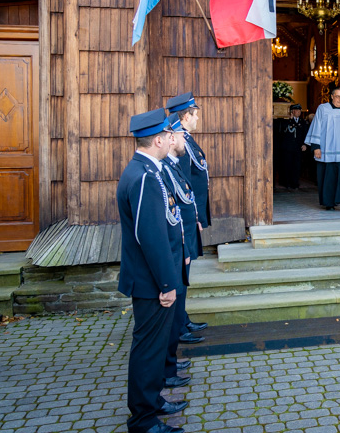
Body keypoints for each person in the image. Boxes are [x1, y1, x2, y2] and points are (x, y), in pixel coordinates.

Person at [117, 109, 187, 433]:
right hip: (151, 282)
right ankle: (143, 420)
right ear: (158, 139)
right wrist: (166, 283)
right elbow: (151, 236)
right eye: (167, 135)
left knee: (154, 349)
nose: (171, 139)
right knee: (147, 352)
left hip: (152, 280)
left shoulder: (146, 169)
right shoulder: (144, 175)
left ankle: (154, 402)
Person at [165, 93, 208, 343]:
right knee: (182, 271)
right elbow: (183, 183)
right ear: (184, 117)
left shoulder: (187, 141)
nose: (198, 117)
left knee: (186, 271)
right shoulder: (179, 143)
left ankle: (182, 318)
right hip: (183, 217)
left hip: (189, 216)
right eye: (195, 113)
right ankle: (178, 326)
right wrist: (193, 216)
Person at [161, 114, 199, 388]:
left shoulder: (167, 168)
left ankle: (169, 365)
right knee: (166, 321)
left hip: (180, 244)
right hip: (171, 253)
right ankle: (166, 370)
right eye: (180, 135)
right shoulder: (155, 172)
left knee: (176, 312)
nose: (185, 139)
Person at [305, 87, 340, 211]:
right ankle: (329, 203)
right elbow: (316, 126)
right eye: (337, 96)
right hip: (327, 150)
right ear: (331, 96)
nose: (339, 99)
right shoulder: (323, 108)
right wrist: (316, 147)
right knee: (328, 177)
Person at [277, 104, 309, 189]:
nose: (298, 112)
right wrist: (289, 120)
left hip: (298, 147)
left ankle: (295, 183)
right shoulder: (287, 121)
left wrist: (305, 144)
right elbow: (283, 131)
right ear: (292, 111)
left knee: (297, 166)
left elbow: (305, 133)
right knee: (287, 165)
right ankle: (287, 182)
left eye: (299, 111)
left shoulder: (303, 122)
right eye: (296, 110)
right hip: (288, 147)